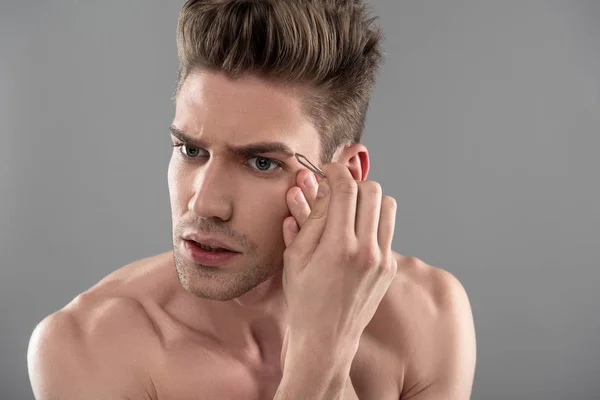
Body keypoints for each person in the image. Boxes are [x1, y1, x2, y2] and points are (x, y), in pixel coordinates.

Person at [27, 1, 476, 398]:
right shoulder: (89, 346)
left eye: (261, 163)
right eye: (191, 150)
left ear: (345, 178)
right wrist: (322, 355)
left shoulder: (428, 316)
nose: (204, 205)